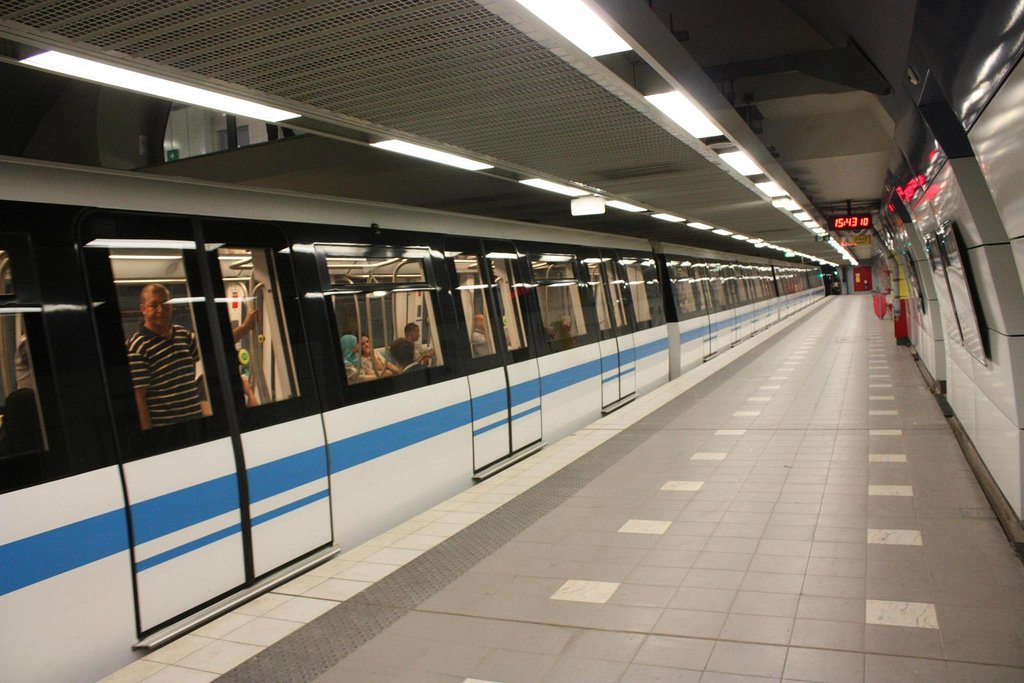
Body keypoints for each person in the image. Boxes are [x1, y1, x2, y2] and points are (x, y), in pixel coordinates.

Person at [126, 283, 208, 430]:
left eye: (165, 304)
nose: (160, 310)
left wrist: (245, 327)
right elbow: (139, 399)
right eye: (154, 305)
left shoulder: (183, 334)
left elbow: (213, 348)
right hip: (168, 430)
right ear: (143, 309)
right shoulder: (136, 347)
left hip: (197, 424)